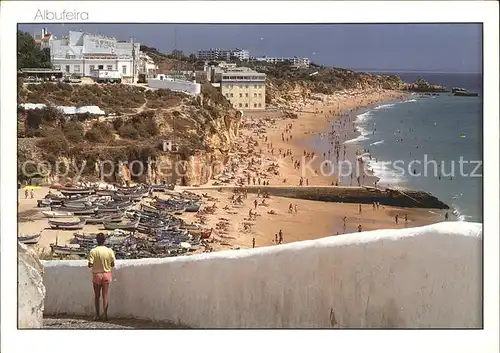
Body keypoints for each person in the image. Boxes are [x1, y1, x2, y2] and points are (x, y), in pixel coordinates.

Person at [88, 233, 116, 321]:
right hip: (107, 274)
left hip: (97, 275)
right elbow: (112, 264)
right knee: (105, 296)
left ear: (96, 240)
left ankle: (97, 315)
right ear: (105, 240)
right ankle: (105, 315)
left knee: (97, 296)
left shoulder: (93, 251)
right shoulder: (109, 251)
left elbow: (90, 264)